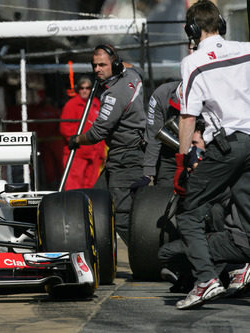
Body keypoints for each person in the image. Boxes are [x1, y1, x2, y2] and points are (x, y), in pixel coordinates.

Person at [173, 0, 250, 310]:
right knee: (246, 213)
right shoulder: (246, 50)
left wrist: (181, 163)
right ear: (222, 25)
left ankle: (205, 279)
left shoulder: (193, 63)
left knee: (188, 211)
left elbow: (187, 117)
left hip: (227, 145)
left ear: (192, 31)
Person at [68, 44, 146, 244]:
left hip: (126, 158)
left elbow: (97, 132)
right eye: (95, 65)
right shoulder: (132, 76)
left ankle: (149, 259)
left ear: (116, 65)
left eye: (102, 65)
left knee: (122, 217)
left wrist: (77, 139)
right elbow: (134, 68)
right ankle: (98, 252)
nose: (97, 70)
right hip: (123, 156)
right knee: (96, 202)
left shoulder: (114, 94)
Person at [133, 80, 182, 189]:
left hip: (203, 154)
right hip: (168, 154)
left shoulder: (209, 93)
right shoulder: (162, 94)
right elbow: (154, 136)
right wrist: (148, 173)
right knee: (163, 194)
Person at [60, 76, 106, 190]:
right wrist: (78, 141)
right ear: (78, 89)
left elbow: (102, 127)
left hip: (95, 154)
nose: (84, 90)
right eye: (82, 88)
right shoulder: (71, 105)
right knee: (74, 187)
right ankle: (73, 207)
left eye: (88, 88)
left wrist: (102, 151)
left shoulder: (96, 103)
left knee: (92, 187)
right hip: (77, 154)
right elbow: (65, 128)